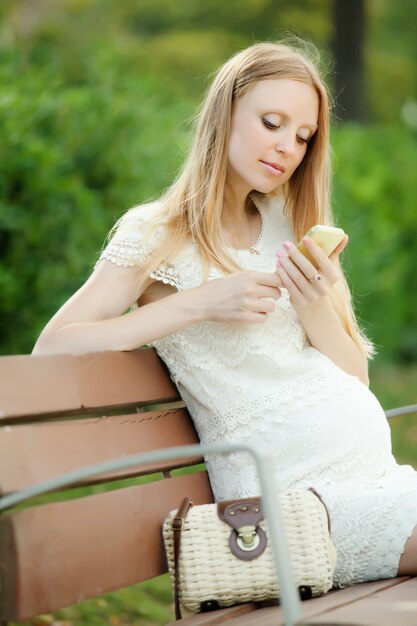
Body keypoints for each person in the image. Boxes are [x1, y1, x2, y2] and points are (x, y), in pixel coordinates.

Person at [33, 40, 417, 587]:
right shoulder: (157, 233)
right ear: (226, 113)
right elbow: (53, 347)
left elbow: (356, 377)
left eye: (303, 137)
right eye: (272, 122)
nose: (287, 147)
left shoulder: (291, 227)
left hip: (377, 480)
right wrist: (199, 303)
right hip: (289, 506)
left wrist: (314, 306)